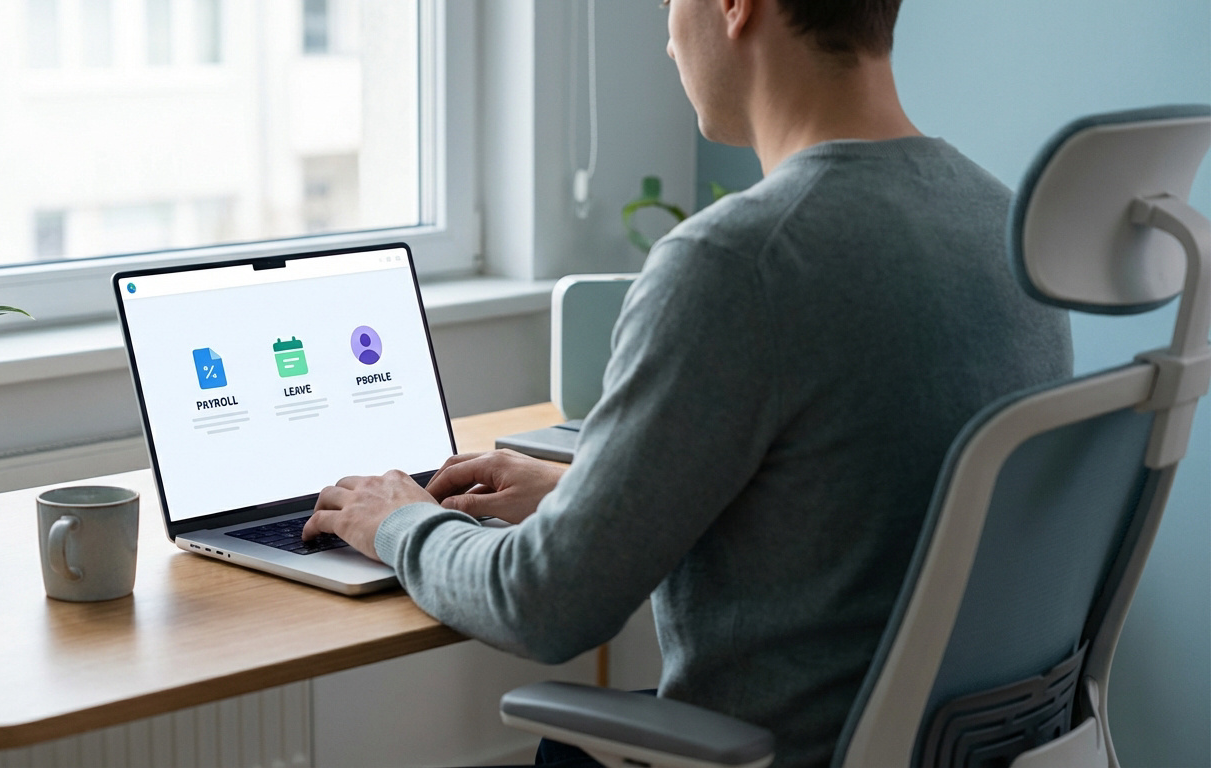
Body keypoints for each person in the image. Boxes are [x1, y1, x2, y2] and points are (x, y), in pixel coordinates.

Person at [303, 0, 1072, 765]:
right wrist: (592, 497)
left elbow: (542, 605)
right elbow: (860, 504)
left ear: (735, 8)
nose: (669, 41)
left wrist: (398, 522)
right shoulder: (1007, 227)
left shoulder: (739, 262)